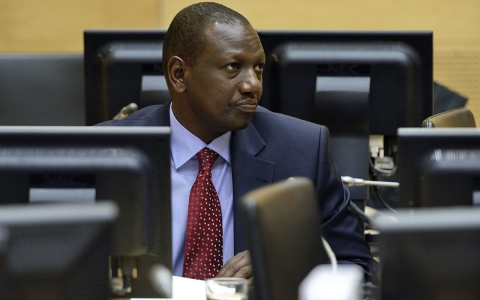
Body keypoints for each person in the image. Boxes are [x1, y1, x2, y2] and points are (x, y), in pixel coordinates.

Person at [98, 2, 378, 283]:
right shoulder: (108, 153)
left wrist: (285, 268)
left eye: (258, 68)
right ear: (179, 75)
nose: (253, 85)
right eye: (233, 67)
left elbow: (358, 269)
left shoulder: (302, 150)